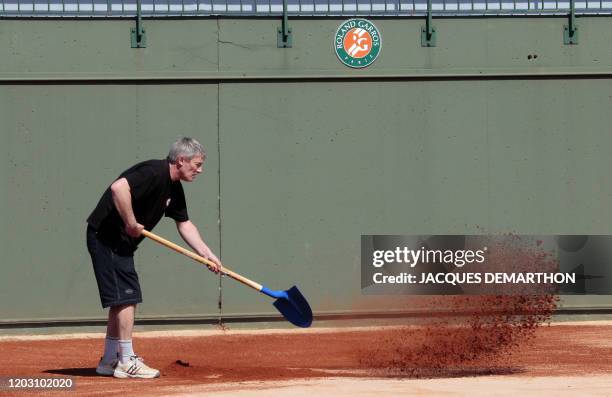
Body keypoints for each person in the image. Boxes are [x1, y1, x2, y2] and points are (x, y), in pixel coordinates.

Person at [86, 137, 221, 379]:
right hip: (106, 238)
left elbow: (185, 224)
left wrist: (207, 254)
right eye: (197, 164)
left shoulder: (174, 188)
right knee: (128, 297)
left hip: (120, 243)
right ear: (181, 160)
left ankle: (109, 360)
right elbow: (119, 188)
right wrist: (130, 221)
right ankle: (127, 360)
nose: (200, 170)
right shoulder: (153, 171)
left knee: (121, 299)